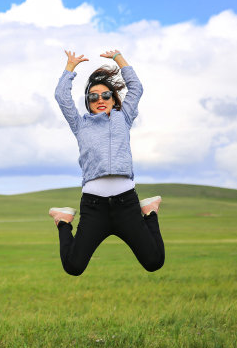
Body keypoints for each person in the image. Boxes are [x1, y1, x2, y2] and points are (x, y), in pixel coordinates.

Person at [49, 49, 165, 276]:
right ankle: (63, 220)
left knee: (154, 262)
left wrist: (119, 58)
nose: (100, 100)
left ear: (113, 99)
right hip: (94, 208)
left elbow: (136, 88)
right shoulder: (80, 123)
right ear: (88, 102)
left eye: (105, 95)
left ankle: (150, 212)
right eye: (93, 96)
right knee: (73, 267)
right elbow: (61, 97)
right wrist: (70, 68)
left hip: (127, 205)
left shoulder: (124, 117)